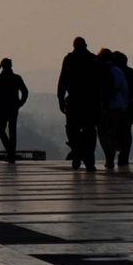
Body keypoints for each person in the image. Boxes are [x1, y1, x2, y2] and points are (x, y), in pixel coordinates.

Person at [57, 37, 103, 172]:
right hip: (90, 101)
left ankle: (77, 153)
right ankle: (89, 160)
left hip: (74, 101)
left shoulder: (70, 59)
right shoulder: (94, 60)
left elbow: (63, 80)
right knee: (89, 131)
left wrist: (60, 98)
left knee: (72, 130)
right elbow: (99, 82)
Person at [0, 58, 29, 162]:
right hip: (13, 107)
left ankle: (10, 152)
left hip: (2, 107)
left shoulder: (0, 77)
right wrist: (20, 103)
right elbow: (25, 91)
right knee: (12, 131)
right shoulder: (16, 78)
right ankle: (11, 153)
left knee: (1, 129)